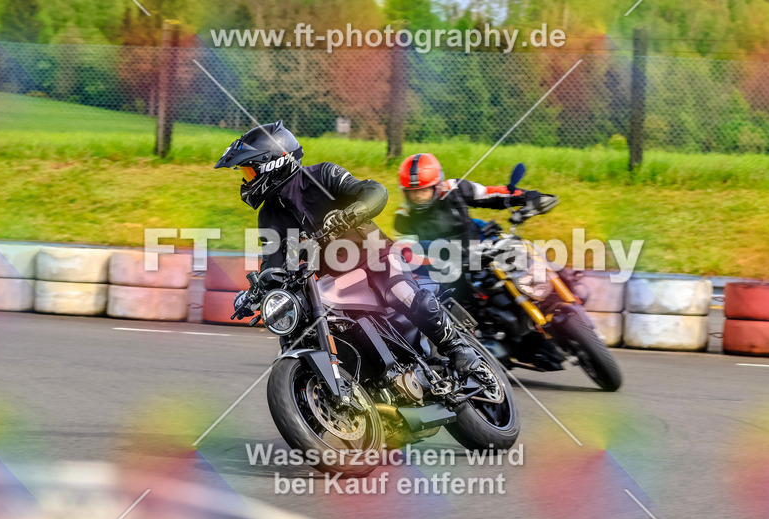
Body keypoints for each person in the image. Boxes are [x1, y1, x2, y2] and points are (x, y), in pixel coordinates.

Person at [214, 121, 480, 374]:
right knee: (308, 324)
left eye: (250, 172)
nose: (246, 181)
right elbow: (273, 263)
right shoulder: (269, 217)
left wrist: (354, 211)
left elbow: (374, 191)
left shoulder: (323, 176)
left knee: (401, 294)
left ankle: (457, 348)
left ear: (274, 164)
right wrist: (257, 291)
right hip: (334, 281)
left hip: (376, 258)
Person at [394, 153, 557, 298]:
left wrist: (524, 197)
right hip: (448, 273)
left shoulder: (455, 188)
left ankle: (565, 282)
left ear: (436, 185)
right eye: (412, 192)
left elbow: (491, 194)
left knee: (527, 252)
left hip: (482, 252)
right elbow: (407, 252)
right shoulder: (404, 215)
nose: (418, 197)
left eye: (423, 191)